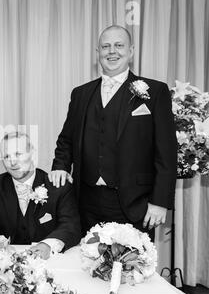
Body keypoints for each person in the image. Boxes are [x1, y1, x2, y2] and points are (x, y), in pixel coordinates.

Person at [49, 25, 177, 240]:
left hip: (135, 203)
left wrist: (160, 202)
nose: (112, 51)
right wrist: (60, 166)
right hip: (86, 202)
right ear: (98, 52)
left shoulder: (155, 92)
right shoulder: (81, 93)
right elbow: (67, 139)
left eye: (119, 45)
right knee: (88, 268)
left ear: (131, 51)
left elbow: (166, 151)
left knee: (132, 270)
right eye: (105, 46)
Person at [0, 132, 81, 259]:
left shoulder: (57, 186)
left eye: (18, 154)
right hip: (9, 265)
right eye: (6, 157)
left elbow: (71, 227)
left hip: (51, 262)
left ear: (32, 153)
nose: (12, 162)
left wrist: (48, 245)